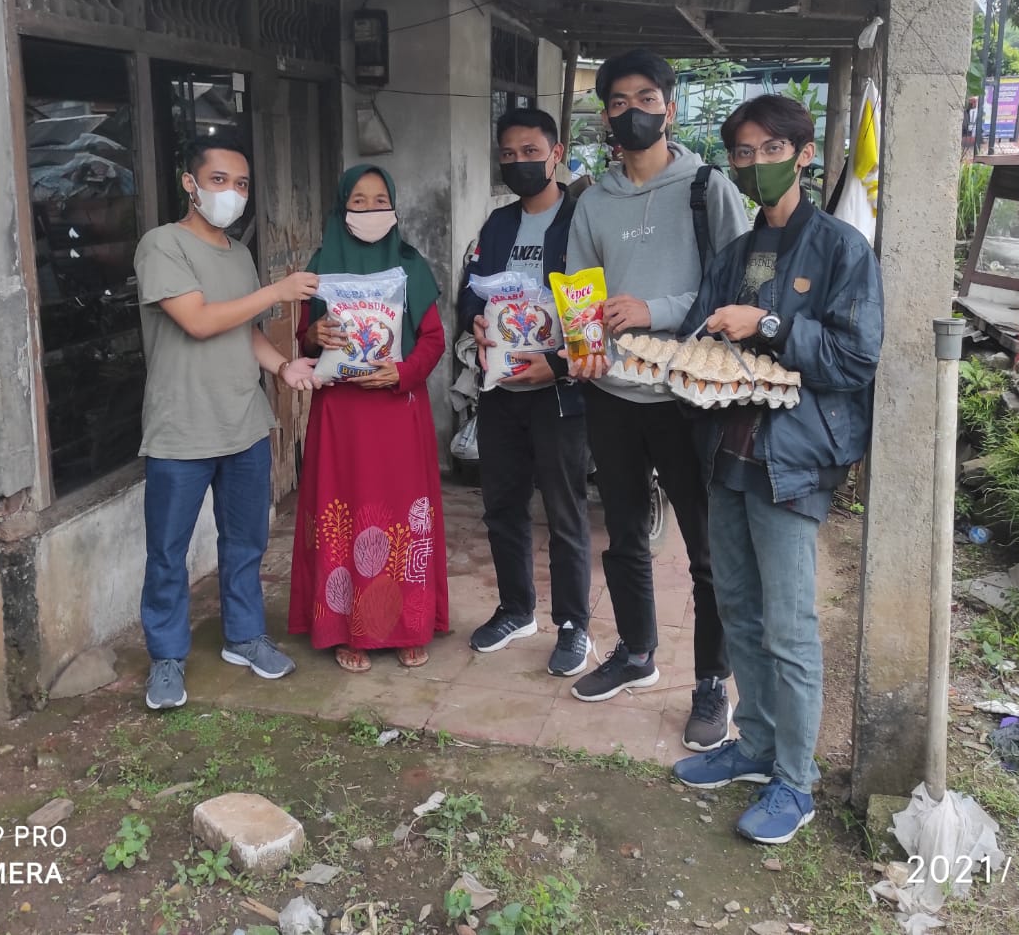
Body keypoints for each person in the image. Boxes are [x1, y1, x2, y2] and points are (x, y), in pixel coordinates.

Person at [671, 94, 882, 845]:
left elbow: (858, 357)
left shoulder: (840, 250)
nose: (753, 164)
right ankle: (754, 745)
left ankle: (796, 779)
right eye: (742, 152)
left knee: (790, 625)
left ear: (801, 154)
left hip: (791, 460)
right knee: (738, 607)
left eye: (767, 150)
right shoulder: (733, 254)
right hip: (727, 452)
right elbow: (700, 331)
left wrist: (768, 325)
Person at [565, 49, 750, 752]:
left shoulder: (706, 188)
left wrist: (656, 307)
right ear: (606, 114)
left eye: (647, 98)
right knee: (622, 531)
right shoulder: (594, 200)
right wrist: (580, 346)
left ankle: (712, 681)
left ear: (670, 107)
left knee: (707, 547)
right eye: (618, 101)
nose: (633, 111)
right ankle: (638, 651)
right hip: (612, 393)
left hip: (685, 393)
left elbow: (736, 291)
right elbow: (580, 291)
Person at [133, 136, 319, 710]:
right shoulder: (161, 245)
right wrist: (277, 290)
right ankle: (166, 658)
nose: (231, 194)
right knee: (169, 550)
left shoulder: (238, 255)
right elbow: (198, 320)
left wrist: (284, 366)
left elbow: (245, 330)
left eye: (240, 184)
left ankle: (244, 637)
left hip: (242, 420)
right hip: (182, 427)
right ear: (189, 183)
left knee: (245, 542)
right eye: (219, 181)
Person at [289, 166, 450, 671]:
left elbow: (433, 340)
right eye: (359, 201)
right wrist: (317, 336)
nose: (372, 210)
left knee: (403, 511)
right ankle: (346, 628)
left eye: (381, 199)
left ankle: (409, 624)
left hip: (397, 410)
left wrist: (401, 373)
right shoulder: (319, 266)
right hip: (341, 414)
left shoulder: (411, 265)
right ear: (342, 208)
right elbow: (304, 338)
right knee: (344, 505)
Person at [457, 108, 592, 676]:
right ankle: (516, 608)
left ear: (556, 154)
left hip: (557, 390)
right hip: (501, 388)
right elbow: (469, 293)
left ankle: (573, 624)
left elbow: (591, 315)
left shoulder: (581, 222)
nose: (520, 163)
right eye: (508, 155)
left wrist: (558, 366)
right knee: (501, 505)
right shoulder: (496, 225)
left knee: (563, 511)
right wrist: (477, 325)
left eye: (531, 152)